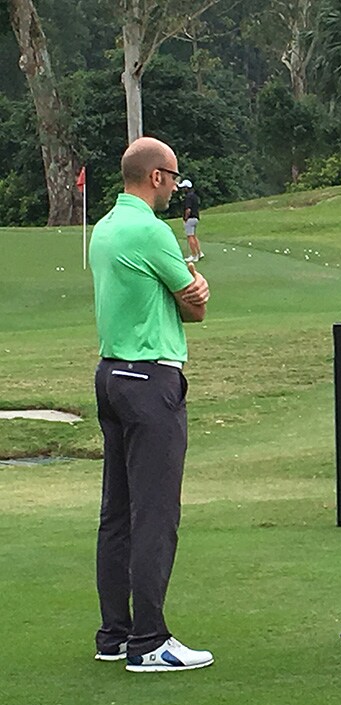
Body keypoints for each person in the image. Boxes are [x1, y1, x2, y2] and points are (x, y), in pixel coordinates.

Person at [89, 136, 214, 672]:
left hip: (111, 374)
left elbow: (182, 301)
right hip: (151, 380)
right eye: (174, 178)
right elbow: (196, 306)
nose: (174, 188)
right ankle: (150, 642)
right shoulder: (150, 230)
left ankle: (114, 634)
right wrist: (192, 291)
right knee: (156, 514)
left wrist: (184, 296)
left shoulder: (106, 227)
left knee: (117, 513)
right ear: (157, 177)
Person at [178, 179, 202, 262]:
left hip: (190, 218)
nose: (182, 189)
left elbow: (188, 209)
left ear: (187, 188)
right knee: (194, 236)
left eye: (184, 187)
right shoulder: (194, 196)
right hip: (196, 218)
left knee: (190, 237)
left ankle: (194, 255)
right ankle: (199, 253)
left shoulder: (188, 197)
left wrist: (185, 218)